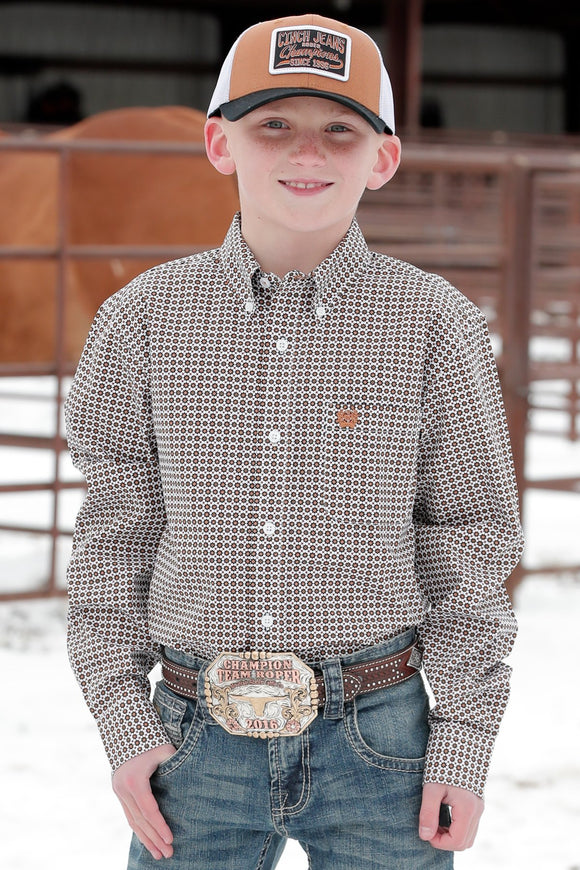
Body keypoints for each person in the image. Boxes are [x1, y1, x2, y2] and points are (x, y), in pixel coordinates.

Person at [64, 13, 524, 869]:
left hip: (383, 744)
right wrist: (125, 725)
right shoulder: (139, 322)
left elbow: (470, 538)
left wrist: (462, 742)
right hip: (193, 743)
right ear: (219, 142)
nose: (305, 153)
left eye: (339, 130)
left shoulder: (436, 327)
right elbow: (114, 538)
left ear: (381, 158)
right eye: (273, 123)